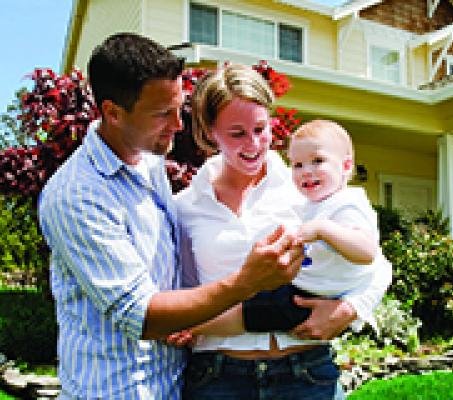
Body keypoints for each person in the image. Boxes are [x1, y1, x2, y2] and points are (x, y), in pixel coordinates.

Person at [38, 33, 306, 399]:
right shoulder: (76, 195)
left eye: (178, 108)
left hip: (174, 384)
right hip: (114, 390)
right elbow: (142, 314)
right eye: (163, 114)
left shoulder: (149, 165)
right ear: (113, 112)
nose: (178, 125)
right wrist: (247, 282)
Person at [175, 64, 392, 399]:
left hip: (305, 372)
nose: (254, 144)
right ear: (209, 131)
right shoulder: (185, 208)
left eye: (261, 129)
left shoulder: (306, 187)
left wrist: (351, 310)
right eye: (237, 133)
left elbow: (378, 263)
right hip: (219, 378)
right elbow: (182, 291)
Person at [188, 119, 383, 337]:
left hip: (317, 296)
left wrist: (322, 229)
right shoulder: (309, 203)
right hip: (306, 288)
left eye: (317, 161)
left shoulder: (346, 203)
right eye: (298, 165)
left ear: (346, 166)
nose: (306, 171)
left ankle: (192, 328)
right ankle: (192, 325)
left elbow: (368, 253)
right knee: (255, 304)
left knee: (253, 312)